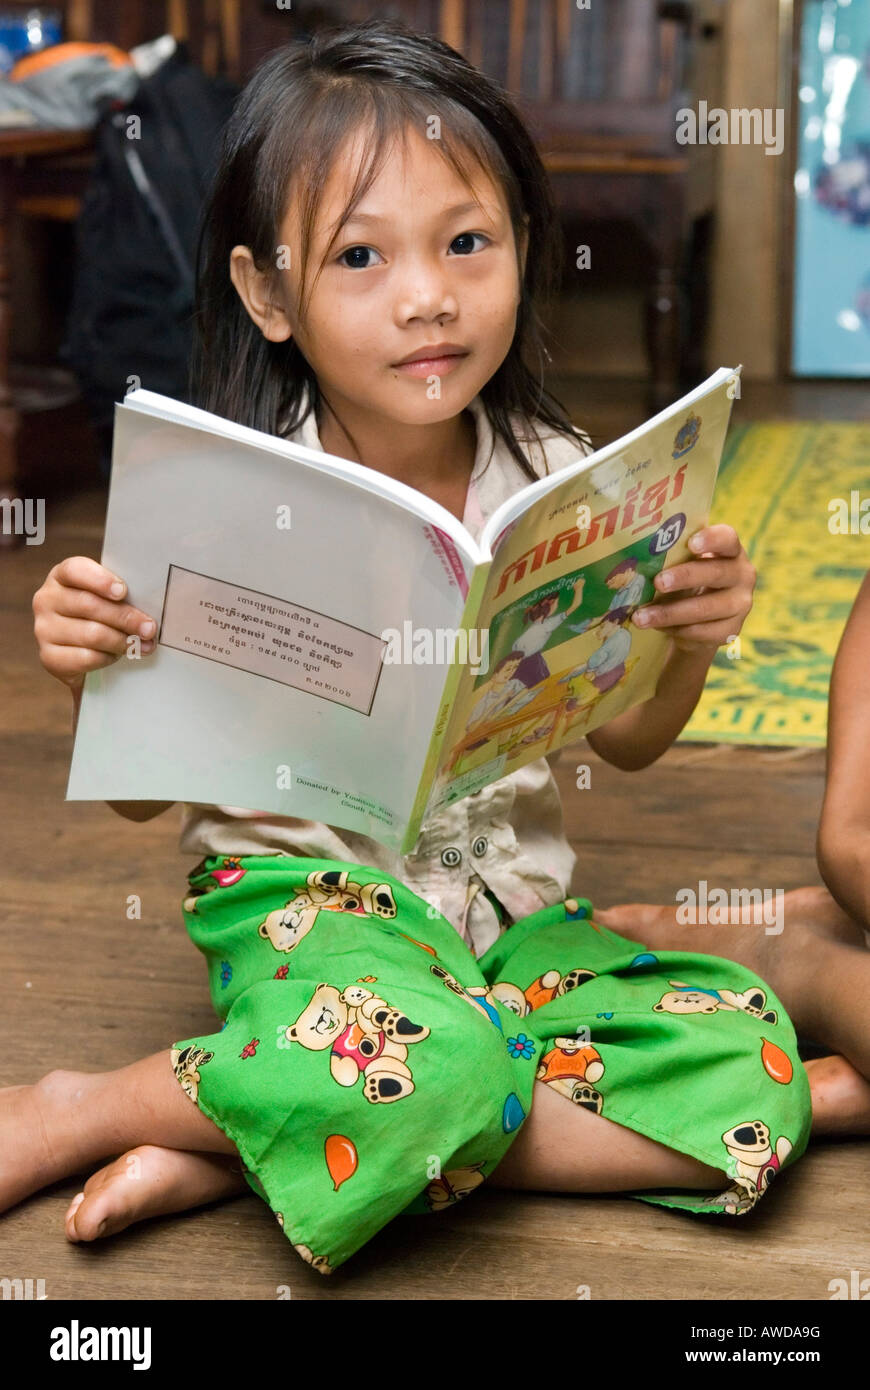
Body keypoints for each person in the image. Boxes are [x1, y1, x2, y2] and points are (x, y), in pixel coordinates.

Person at [19, 19, 842, 1276]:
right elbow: (141, 798)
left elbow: (621, 745)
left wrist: (683, 643)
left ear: (521, 243)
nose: (428, 296)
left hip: (507, 922)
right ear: (268, 292)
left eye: (469, 242)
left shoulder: (557, 478)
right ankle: (92, 1103)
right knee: (437, 1058)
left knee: (753, 1055)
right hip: (313, 919)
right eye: (360, 254)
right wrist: (93, 672)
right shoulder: (223, 499)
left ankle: (252, 1133)